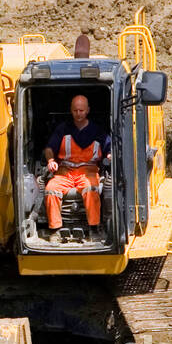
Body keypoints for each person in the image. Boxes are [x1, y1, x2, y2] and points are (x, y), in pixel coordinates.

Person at [43, 95, 111, 242]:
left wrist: (110, 155)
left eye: (81, 110)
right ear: (71, 111)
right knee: (51, 189)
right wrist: (50, 160)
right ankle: (55, 230)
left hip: (88, 171)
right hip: (65, 171)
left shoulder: (98, 131)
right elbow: (49, 148)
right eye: (75, 110)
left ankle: (94, 228)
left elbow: (109, 148)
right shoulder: (63, 129)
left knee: (91, 189)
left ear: (88, 111)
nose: (78, 113)